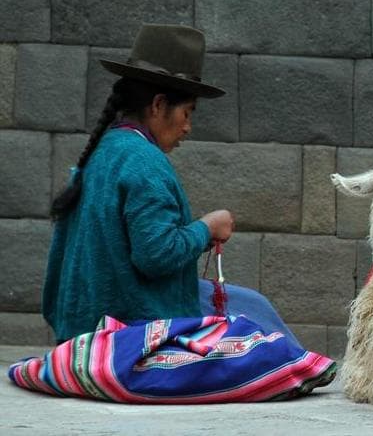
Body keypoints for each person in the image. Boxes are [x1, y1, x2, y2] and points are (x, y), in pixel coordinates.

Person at [42, 23, 299, 347]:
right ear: (159, 105)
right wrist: (206, 228)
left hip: (82, 329)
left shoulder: (101, 152)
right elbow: (156, 255)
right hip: (129, 327)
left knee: (245, 303)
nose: (188, 127)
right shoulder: (145, 163)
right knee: (257, 313)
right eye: (187, 112)